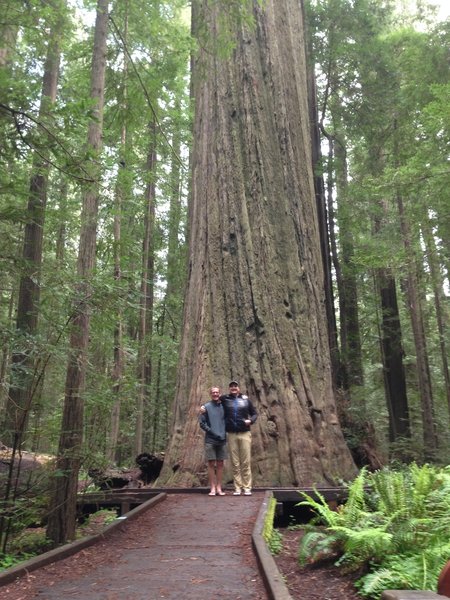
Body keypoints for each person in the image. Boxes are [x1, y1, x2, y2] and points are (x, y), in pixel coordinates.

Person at [220, 380, 257, 496]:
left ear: (239, 388)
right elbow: (214, 402)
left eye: (235, 386)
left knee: (245, 461)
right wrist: (203, 407)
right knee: (235, 462)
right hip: (231, 434)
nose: (233, 388)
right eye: (231, 386)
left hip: (245, 433)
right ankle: (238, 487)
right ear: (229, 388)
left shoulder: (246, 400)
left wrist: (250, 420)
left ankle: (247, 487)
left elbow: (255, 413)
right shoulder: (225, 399)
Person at [198, 386, 227, 496]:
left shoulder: (224, 406)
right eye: (213, 392)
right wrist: (211, 431)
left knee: (220, 463)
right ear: (210, 394)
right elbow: (202, 423)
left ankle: (219, 487)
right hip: (210, 439)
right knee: (211, 463)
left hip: (222, 439)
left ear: (220, 394)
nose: (215, 394)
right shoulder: (206, 407)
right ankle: (212, 487)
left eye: (217, 392)